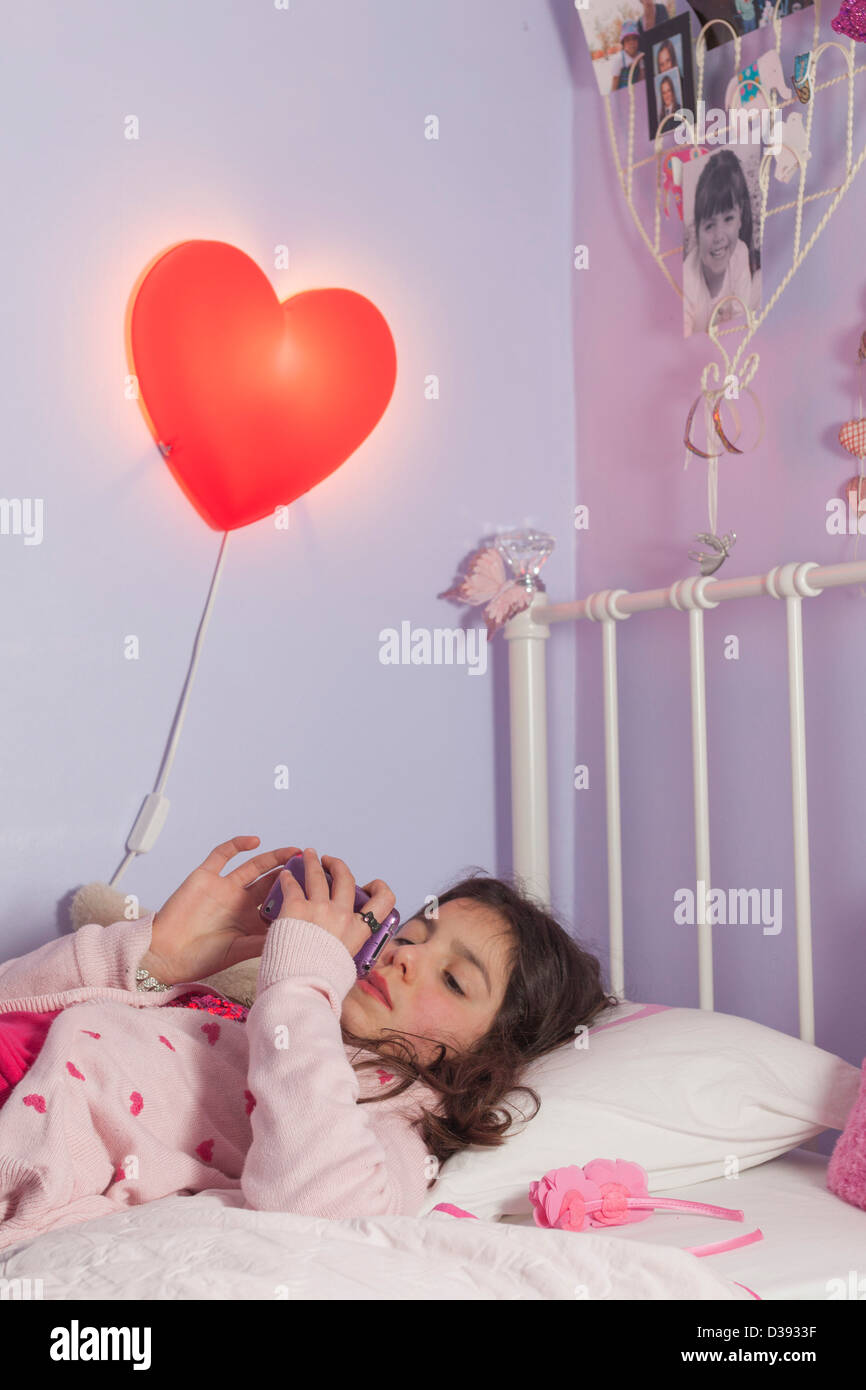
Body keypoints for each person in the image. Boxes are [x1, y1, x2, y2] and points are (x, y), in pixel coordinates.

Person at [0, 838, 615, 1247]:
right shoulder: (254, 1014)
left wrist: (301, 983)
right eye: (416, 935)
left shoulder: (389, 1113)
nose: (406, 957)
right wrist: (156, 953)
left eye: (453, 980)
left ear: (483, 1062)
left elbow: (332, 1213)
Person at [683, 149, 760, 337]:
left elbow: (741, 316)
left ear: (740, 217)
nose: (719, 236)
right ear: (697, 231)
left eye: (728, 219)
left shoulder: (739, 253)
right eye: (709, 226)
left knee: (760, 279)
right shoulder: (688, 278)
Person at [612, 21, 645, 90]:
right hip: (623, 92)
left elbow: (642, 76)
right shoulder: (620, 58)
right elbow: (615, 82)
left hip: (636, 89)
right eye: (628, 40)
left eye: (634, 39)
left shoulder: (640, 56)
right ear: (623, 43)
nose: (631, 42)